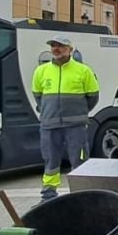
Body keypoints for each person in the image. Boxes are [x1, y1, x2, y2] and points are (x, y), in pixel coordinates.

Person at [33, 36, 100, 201]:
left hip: (76, 125)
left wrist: (79, 113)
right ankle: (48, 195)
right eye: (53, 46)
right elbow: (38, 96)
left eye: (61, 46)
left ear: (70, 49)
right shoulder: (41, 71)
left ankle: (81, 194)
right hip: (49, 125)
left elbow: (93, 97)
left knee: (80, 161)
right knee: (51, 162)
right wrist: (49, 113)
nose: (56, 49)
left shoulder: (84, 71)